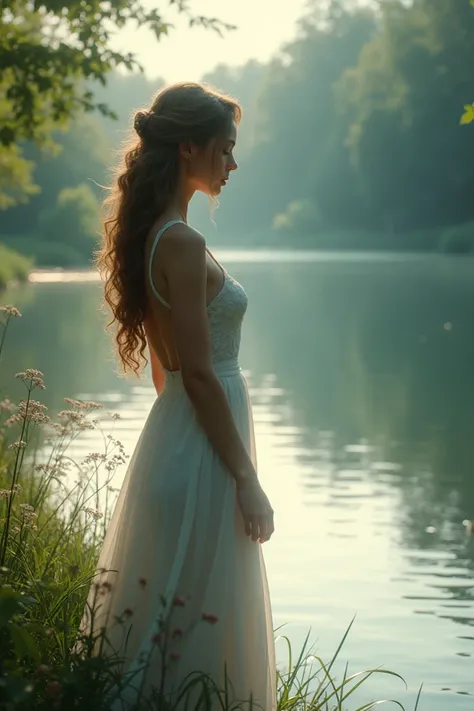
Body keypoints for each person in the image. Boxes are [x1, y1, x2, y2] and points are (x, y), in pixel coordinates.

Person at [76, 82, 277, 711]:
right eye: (225, 149)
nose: (233, 164)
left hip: (180, 439)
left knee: (177, 611)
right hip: (203, 451)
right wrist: (245, 476)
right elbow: (194, 373)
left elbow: (166, 373)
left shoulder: (159, 236)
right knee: (204, 610)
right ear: (189, 146)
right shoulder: (182, 244)